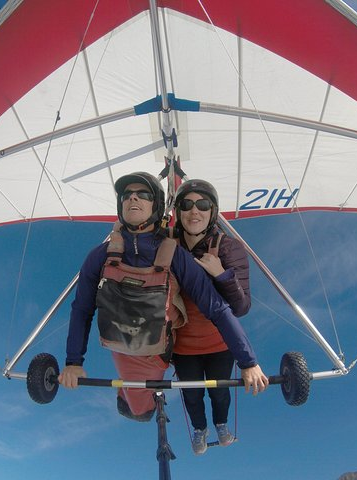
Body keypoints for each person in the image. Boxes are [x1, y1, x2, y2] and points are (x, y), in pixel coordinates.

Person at [58, 172, 268, 423]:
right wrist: (73, 362)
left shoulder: (175, 253)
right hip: (120, 346)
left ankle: (152, 405)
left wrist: (248, 362)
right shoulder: (100, 256)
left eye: (143, 194)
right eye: (127, 195)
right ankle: (136, 402)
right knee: (139, 409)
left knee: (157, 404)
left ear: (156, 205)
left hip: (155, 352)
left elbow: (218, 308)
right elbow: (82, 309)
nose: (133, 197)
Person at [171, 179, 251, 455]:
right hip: (182, 346)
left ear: (212, 211)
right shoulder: (166, 245)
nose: (195, 211)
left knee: (219, 391)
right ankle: (199, 429)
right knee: (191, 394)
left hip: (219, 342)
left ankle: (221, 424)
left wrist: (221, 274)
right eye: (187, 204)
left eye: (203, 204)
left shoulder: (229, 248)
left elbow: (241, 307)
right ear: (178, 212)